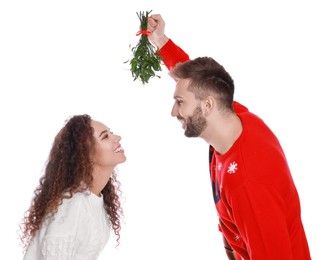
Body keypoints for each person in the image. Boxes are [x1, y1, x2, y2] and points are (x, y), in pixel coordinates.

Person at [147, 14, 311, 260]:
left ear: (208, 105)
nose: (173, 112)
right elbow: (195, 81)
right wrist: (160, 41)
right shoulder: (234, 116)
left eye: (179, 103)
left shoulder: (249, 185)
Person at [19, 114, 126, 260]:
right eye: (105, 137)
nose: (117, 138)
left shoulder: (94, 199)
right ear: (86, 154)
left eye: (111, 133)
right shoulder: (75, 204)